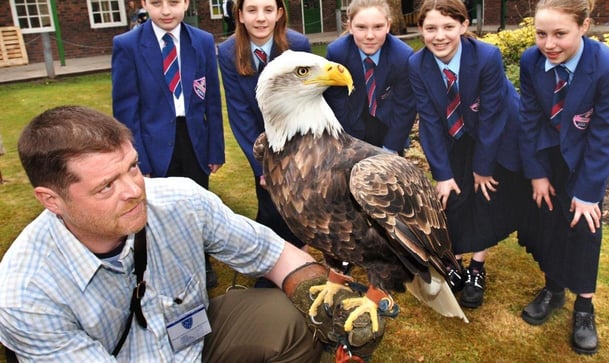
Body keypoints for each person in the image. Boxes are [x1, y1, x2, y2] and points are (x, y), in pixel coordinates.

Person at [0, 105, 384, 361]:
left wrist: (331, 303)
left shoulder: (180, 200)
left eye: (132, 167)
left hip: (191, 344)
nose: (135, 190)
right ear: (51, 199)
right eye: (106, 186)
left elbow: (275, 254)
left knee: (293, 313)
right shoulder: (25, 297)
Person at [518, 0, 609, 355]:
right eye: (541, 34)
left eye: (560, 33)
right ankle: (553, 289)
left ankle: (584, 306)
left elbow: (607, 134)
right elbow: (530, 119)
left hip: (586, 162)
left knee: (584, 227)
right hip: (547, 158)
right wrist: (536, 172)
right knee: (549, 223)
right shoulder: (531, 62)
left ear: (584, 26)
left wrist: (586, 193)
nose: (548, 44)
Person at [408, 0, 525, 309]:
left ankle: (477, 267)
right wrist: (442, 174)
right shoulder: (417, 64)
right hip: (454, 131)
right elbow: (429, 121)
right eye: (430, 28)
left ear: (464, 24)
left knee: (484, 193)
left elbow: (491, 118)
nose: (439, 36)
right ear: (421, 30)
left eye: (448, 26)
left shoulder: (486, 56)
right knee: (453, 197)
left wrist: (483, 168)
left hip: (496, 132)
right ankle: (454, 261)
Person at [112, 0, 225, 288]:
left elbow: (212, 102)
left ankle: (200, 262)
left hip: (194, 140)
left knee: (196, 204)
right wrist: (137, 159)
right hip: (152, 142)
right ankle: (160, 268)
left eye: (173, 2)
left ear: (186, 2)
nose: (166, 10)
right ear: (143, 3)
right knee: (156, 210)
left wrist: (214, 148)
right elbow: (126, 110)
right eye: (157, 2)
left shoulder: (202, 41)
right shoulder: (128, 45)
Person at [218, 0, 310, 270]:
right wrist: (265, 166)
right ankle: (273, 263)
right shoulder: (227, 52)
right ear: (240, 15)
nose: (261, 18)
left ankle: (298, 260)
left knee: (298, 203)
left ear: (279, 13)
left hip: (294, 137)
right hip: (259, 142)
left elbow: (303, 103)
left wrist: (295, 155)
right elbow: (240, 114)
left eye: (268, 10)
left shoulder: (297, 45)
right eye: (252, 10)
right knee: (270, 201)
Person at [324, 0, 416, 155]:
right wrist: (347, 145)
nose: (370, 36)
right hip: (351, 126)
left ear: (388, 25)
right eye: (361, 27)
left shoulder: (402, 56)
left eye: (378, 27)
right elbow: (336, 103)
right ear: (350, 26)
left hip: (389, 128)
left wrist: (390, 148)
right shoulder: (337, 53)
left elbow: (405, 107)